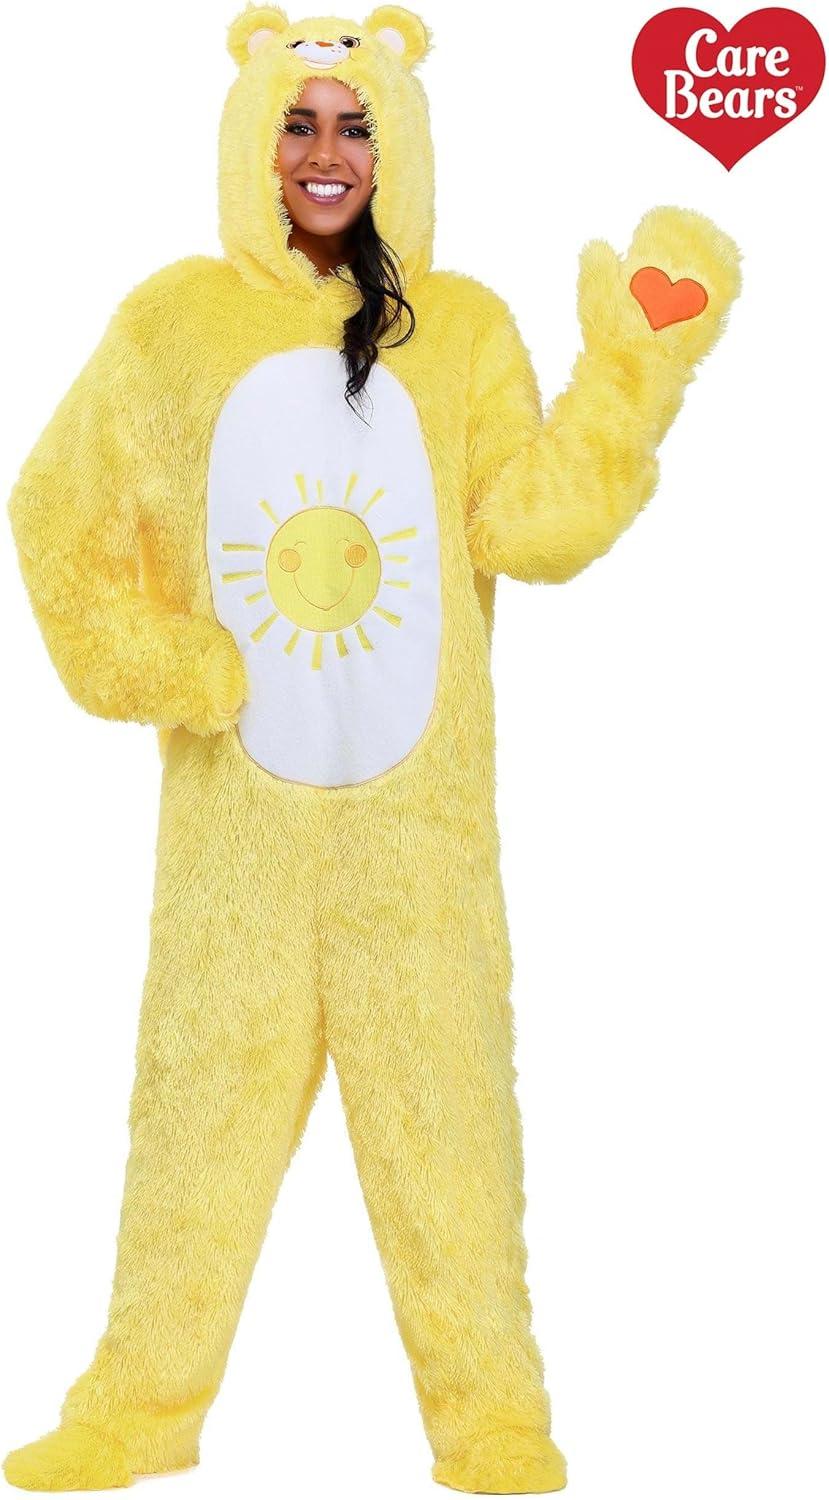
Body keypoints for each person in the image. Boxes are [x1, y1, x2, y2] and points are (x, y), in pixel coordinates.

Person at [4, 7, 740, 1494]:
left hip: (419, 839)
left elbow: (529, 528)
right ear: (251, 137)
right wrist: (171, 663)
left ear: (398, 143)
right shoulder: (172, 327)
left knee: (453, 1130)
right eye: (298, 122)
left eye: (356, 124)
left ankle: (491, 1418)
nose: (326, 152)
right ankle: (136, 1411)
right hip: (238, 839)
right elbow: (58, 516)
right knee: (194, 1125)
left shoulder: (457, 331)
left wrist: (632, 376)